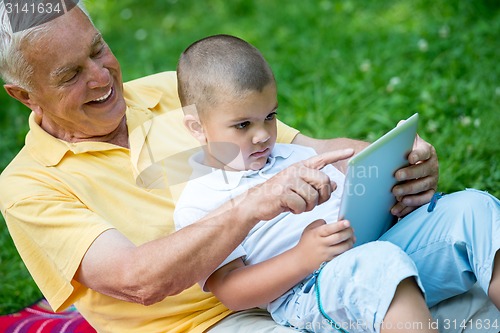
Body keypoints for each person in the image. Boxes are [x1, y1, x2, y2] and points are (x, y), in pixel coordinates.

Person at [0, 2, 490, 333]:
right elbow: (137, 279)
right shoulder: (29, 185)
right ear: (24, 95)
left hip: (317, 266)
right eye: (70, 75)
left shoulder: (175, 89)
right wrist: (252, 206)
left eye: (98, 48)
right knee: (402, 294)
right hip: (209, 323)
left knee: (473, 231)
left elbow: (310, 150)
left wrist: (400, 158)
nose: (101, 75)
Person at [174, 34, 439, 333]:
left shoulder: (297, 155)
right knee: (380, 264)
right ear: (197, 127)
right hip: (306, 288)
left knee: (472, 210)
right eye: (243, 125)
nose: (263, 135)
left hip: (371, 248)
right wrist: (302, 258)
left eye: (270, 116)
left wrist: (389, 190)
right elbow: (231, 291)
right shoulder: (200, 202)